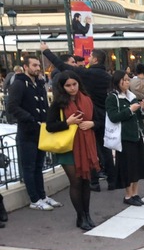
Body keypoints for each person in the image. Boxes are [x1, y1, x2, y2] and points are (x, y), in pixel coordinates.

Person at [42, 43, 115, 192]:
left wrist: (47, 52)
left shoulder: (88, 74)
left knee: (90, 148)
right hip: (101, 116)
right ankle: (112, 181)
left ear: (95, 60)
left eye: (91, 57)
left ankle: (94, 182)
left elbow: (64, 68)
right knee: (105, 149)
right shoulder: (107, 76)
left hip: (86, 114)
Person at [46, 71, 100, 230]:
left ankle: (87, 214)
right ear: (62, 87)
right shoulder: (58, 103)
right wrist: (67, 122)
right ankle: (80, 217)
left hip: (86, 146)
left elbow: (99, 120)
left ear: (78, 83)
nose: (72, 88)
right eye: (68, 85)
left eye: (74, 84)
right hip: (68, 147)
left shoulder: (87, 99)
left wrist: (92, 124)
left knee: (86, 181)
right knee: (76, 181)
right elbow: (49, 126)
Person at [7, 55, 63, 210]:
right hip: (27, 131)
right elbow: (12, 107)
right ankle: (34, 199)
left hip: (40, 131)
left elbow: (44, 103)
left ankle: (42, 195)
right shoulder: (19, 84)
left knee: (39, 165)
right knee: (29, 167)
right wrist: (30, 118)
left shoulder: (38, 83)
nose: (38, 68)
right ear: (25, 67)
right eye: (34, 65)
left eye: (38, 65)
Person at [105, 70, 144, 206]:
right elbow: (113, 117)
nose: (127, 82)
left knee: (137, 166)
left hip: (137, 136)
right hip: (124, 137)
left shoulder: (131, 96)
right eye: (124, 80)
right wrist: (130, 110)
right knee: (127, 167)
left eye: (128, 80)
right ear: (117, 81)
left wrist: (143, 109)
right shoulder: (113, 97)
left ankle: (135, 193)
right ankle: (128, 195)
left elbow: (139, 116)